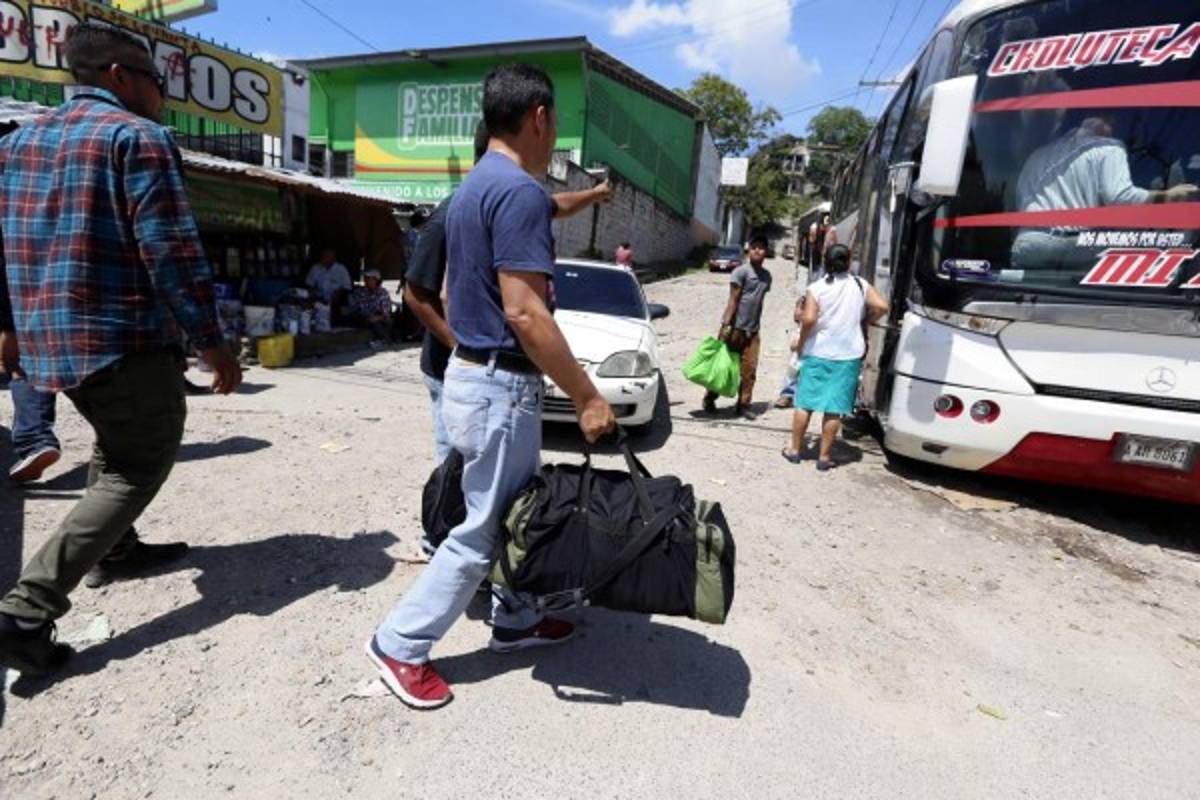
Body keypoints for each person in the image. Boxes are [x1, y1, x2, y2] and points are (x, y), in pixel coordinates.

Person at [366, 63, 616, 710]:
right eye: (555, 123)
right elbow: (526, 313)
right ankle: (400, 643)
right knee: (480, 530)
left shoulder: (477, 185)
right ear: (539, 117)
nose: (555, 134)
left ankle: (516, 618)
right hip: (500, 386)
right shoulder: (518, 192)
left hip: (477, 376)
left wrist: (588, 196)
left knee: (511, 515)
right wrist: (587, 396)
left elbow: (535, 221)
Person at [0, 23, 242, 677]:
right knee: (138, 463)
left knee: (117, 437)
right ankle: (26, 610)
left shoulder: (17, 143)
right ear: (118, 76)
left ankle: (118, 548)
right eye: (157, 83)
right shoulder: (137, 138)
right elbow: (171, 249)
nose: (162, 97)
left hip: (51, 342)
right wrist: (213, 343)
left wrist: (9, 326)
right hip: (121, 337)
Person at [406, 121, 611, 469]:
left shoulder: (504, 198)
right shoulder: (456, 210)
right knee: (458, 480)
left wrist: (594, 195)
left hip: (486, 369)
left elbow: (555, 204)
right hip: (462, 368)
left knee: (482, 484)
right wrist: (461, 347)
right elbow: (416, 295)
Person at [1012, 115, 1197, 270]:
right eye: (1112, 123)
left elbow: (1020, 199)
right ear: (1101, 122)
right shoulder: (1108, 146)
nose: (1114, 129)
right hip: (1068, 245)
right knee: (1136, 248)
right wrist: (1168, 196)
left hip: (1026, 244)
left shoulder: (1037, 155)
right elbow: (1120, 196)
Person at [782, 244, 888, 470]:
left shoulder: (817, 288)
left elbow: (809, 319)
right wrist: (865, 321)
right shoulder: (860, 285)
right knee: (834, 408)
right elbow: (882, 306)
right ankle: (824, 457)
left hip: (818, 352)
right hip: (849, 355)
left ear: (826, 262)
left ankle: (795, 450)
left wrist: (801, 344)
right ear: (848, 262)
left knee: (805, 403)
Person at [703, 235, 772, 417]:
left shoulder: (767, 277)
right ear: (749, 250)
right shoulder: (740, 272)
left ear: (766, 252)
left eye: (761, 248)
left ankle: (743, 405)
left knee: (749, 371)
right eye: (754, 247)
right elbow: (733, 300)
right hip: (734, 329)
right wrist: (725, 326)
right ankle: (709, 398)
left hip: (753, 331)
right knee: (722, 366)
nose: (757, 250)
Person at [349, 268, 392, 347]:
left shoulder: (383, 293)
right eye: (366, 278)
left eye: (369, 278)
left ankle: (384, 339)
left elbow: (386, 312)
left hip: (379, 317)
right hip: (363, 316)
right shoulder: (360, 292)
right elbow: (356, 307)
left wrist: (377, 317)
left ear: (376, 280)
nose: (366, 280)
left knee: (380, 322)